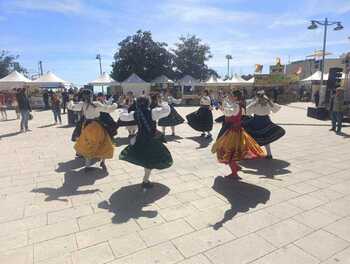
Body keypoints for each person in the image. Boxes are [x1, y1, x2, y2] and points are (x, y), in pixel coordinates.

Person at [119, 96, 172, 189]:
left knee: (146, 159)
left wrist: (125, 108)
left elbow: (123, 117)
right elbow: (166, 111)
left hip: (140, 138)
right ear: (148, 103)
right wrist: (163, 102)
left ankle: (146, 179)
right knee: (151, 159)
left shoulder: (135, 113)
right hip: (151, 140)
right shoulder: (153, 112)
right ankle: (145, 180)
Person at [212, 91, 266, 180]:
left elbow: (228, 113)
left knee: (228, 152)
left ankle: (234, 173)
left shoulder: (235, 106)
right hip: (236, 130)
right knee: (231, 151)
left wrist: (221, 106)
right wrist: (223, 104)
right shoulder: (237, 105)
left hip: (232, 132)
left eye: (231, 95)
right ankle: (236, 167)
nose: (229, 96)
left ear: (236, 97)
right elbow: (237, 112)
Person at [67, 89, 118, 171]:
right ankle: (103, 162)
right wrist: (115, 104)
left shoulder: (82, 104)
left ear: (83, 96)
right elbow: (109, 109)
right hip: (98, 127)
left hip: (87, 126)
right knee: (105, 143)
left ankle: (87, 166)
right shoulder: (96, 104)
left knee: (88, 145)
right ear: (91, 96)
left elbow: (71, 107)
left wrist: (70, 100)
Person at [244, 90, 285, 159]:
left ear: (257, 97)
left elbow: (247, 112)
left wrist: (254, 103)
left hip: (256, 121)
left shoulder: (255, 104)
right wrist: (269, 101)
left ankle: (249, 154)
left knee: (251, 137)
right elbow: (275, 110)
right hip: (266, 121)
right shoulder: (268, 103)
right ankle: (269, 154)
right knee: (266, 138)